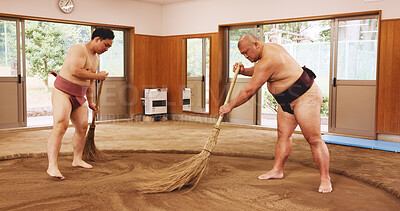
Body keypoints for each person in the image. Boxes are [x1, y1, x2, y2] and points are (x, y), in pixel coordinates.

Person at [219, 34, 332, 193]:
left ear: (256, 45)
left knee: (313, 139)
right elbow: (260, 71)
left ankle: (325, 178)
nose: (246, 56)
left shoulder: (267, 61)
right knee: (283, 135)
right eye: (242, 54)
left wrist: (229, 106)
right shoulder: (268, 52)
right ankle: (277, 170)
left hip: (305, 96)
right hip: (286, 99)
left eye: (246, 52)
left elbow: (250, 90)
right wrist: (244, 71)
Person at [46, 28, 114, 180]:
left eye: (109, 46)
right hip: (63, 92)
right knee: (60, 125)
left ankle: (77, 159)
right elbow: (75, 71)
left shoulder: (95, 59)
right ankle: (52, 166)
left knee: (82, 127)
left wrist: (90, 102)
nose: (107, 49)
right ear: (97, 39)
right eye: (106, 45)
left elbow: (90, 82)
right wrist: (97, 76)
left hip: (80, 95)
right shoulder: (79, 49)